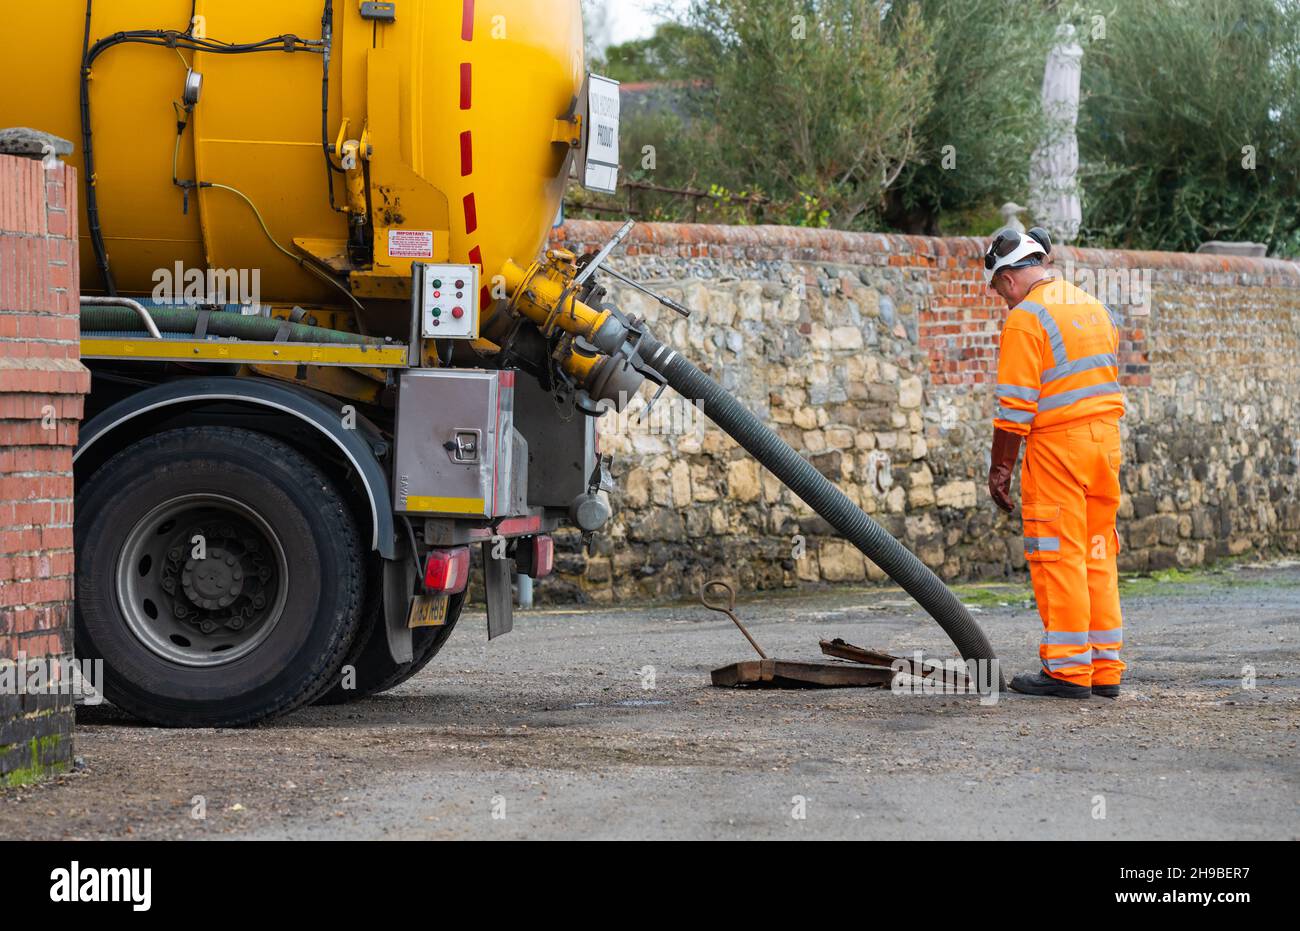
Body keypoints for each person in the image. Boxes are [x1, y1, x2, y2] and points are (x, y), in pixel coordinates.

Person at [985, 227, 1126, 699]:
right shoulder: (1093, 306)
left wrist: (1000, 469)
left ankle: (1067, 670)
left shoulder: (1026, 318)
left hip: (1058, 450)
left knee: (1059, 556)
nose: (1003, 301)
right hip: (1105, 444)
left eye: (999, 292)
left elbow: (1014, 408)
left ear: (1007, 279)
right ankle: (1104, 669)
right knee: (1098, 554)